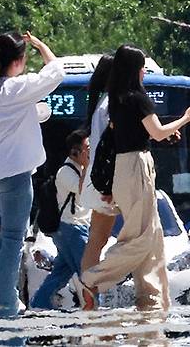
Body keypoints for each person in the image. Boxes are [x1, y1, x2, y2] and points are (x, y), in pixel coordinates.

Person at [76, 45, 190, 312]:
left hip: (123, 167)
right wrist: (185, 119)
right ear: (135, 69)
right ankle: (92, 278)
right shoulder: (137, 98)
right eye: (142, 66)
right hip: (136, 166)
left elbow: (130, 136)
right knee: (140, 237)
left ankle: (153, 297)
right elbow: (156, 133)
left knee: (153, 236)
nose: (145, 70)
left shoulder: (117, 99)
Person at [0, 32, 63, 318]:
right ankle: (6, 301)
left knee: (9, 231)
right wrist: (41, 45)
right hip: (15, 174)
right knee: (13, 237)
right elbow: (56, 71)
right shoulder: (18, 87)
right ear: (19, 61)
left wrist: (34, 112)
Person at [31, 130, 91, 309]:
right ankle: (93, 310)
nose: (90, 152)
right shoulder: (65, 172)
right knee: (88, 273)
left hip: (77, 227)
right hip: (71, 228)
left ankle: (39, 305)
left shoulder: (81, 170)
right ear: (75, 152)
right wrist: (88, 166)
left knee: (61, 273)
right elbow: (83, 190)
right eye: (87, 148)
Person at [77, 55, 120, 274]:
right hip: (109, 183)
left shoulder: (99, 103)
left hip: (99, 179)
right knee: (134, 237)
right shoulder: (111, 103)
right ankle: (91, 289)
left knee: (96, 241)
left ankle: (88, 292)